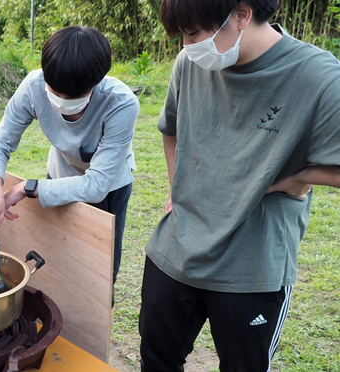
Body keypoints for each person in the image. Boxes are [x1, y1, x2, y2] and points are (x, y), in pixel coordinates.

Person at [139, 0, 340, 370]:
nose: (187, 45)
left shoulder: (319, 77)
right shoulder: (192, 62)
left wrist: (301, 177)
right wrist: (174, 188)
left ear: (242, 15)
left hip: (253, 266)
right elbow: (171, 130)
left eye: (194, 33)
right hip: (177, 249)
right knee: (156, 359)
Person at [0, 25, 139, 302]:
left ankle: (95, 326)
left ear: (97, 82)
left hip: (109, 186)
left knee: (98, 270)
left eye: (72, 96)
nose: (61, 101)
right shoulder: (33, 86)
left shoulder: (121, 104)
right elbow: (0, 143)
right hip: (58, 174)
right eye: (55, 91)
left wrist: (25, 188)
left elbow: (97, 185)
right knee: (56, 255)